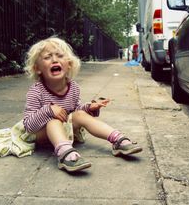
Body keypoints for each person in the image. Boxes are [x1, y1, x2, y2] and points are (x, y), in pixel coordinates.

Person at [23, 37, 142, 173]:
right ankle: (64, 154)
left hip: (64, 130)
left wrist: (89, 108)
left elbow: (75, 110)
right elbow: (28, 126)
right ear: (37, 68)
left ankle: (118, 140)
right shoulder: (36, 91)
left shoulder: (73, 87)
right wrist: (48, 110)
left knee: (80, 114)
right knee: (53, 121)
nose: (55, 60)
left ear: (69, 64)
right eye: (47, 57)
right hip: (41, 134)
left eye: (60, 56)